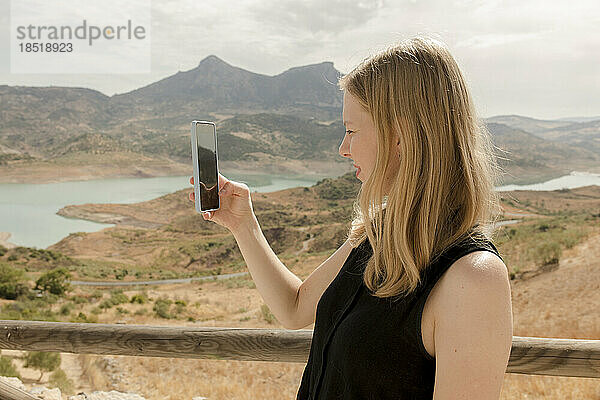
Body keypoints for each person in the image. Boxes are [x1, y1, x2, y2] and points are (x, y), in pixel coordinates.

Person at [188, 35, 513, 399]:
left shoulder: (474, 279)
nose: (343, 148)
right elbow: (294, 308)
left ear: (401, 136)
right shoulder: (376, 236)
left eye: (351, 130)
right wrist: (242, 223)